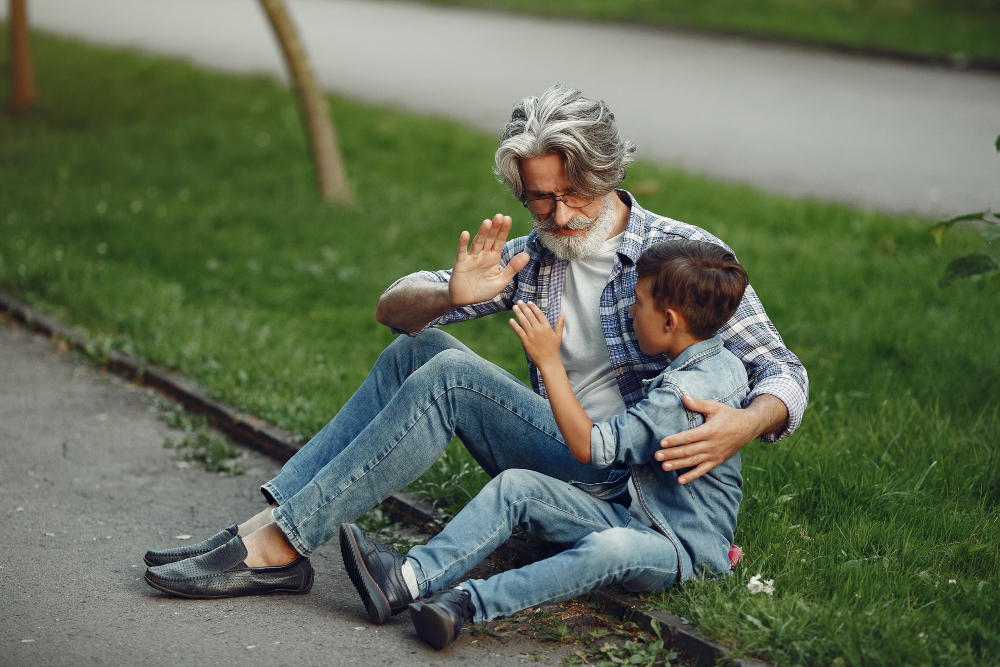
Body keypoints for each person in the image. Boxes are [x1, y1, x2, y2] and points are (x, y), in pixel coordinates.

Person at [142, 84, 807, 599]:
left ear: (605, 172)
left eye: (573, 193)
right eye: (540, 200)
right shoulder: (532, 260)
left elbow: (781, 368)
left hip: (629, 482)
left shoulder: (683, 260)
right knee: (416, 351)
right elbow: (391, 309)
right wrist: (448, 297)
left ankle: (277, 547)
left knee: (451, 378)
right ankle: (275, 525)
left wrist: (744, 424)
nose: (560, 214)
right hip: (564, 453)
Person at [339, 239, 750, 649]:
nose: (630, 310)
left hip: (679, 547)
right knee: (516, 486)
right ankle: (408, 579)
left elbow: (592, 447)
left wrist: (549, 362)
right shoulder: (724, 363)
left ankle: (467, 602)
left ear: (670, 321)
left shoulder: (680, 393)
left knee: (609, 548)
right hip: (637, 512)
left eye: (638, 303)